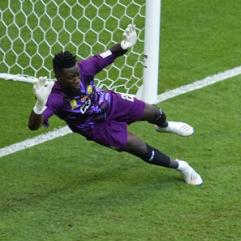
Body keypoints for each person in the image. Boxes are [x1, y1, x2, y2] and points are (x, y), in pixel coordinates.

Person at [27, 24, 203, 186]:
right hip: (98, 127)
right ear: (59, 77)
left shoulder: (84, 68)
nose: (77, 79)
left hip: (111, 103)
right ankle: (182, 166)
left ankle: (164, 126)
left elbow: (110, 54)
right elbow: (33, 126)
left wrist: (125, 45)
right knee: (138, 147)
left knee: (153, 111)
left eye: (77, 74)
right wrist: (38, 105)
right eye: (71, 77)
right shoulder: (55, 98)